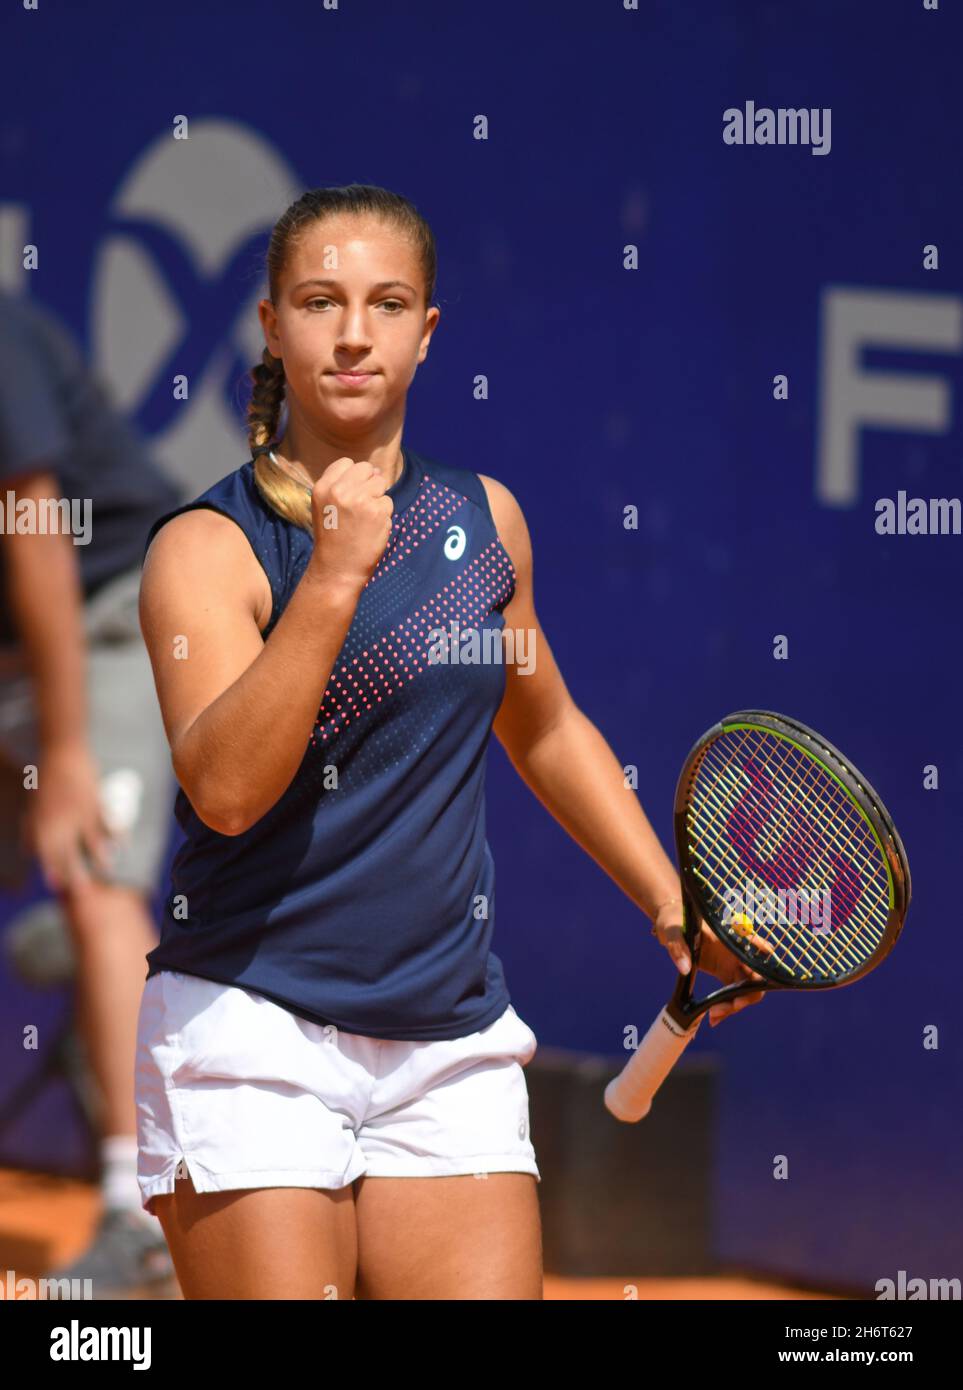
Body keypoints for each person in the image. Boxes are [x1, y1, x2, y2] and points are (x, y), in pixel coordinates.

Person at [135, 183, 764, 1301]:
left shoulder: (488, 521)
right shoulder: (206, 547)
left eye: (388, 304)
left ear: (427, 335)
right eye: (320, 302)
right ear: (272, 325)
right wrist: (333, 575)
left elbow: (549, 724)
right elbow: (227, 790)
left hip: (447, 1043)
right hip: (250, 1030)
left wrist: (669, 900)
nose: (353, 332)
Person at [0, 290, 182, 1294]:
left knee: (96, 871)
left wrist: (63, 752)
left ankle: (140, 1216)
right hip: (10, 654)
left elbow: (35, 528)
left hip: (106, 611)